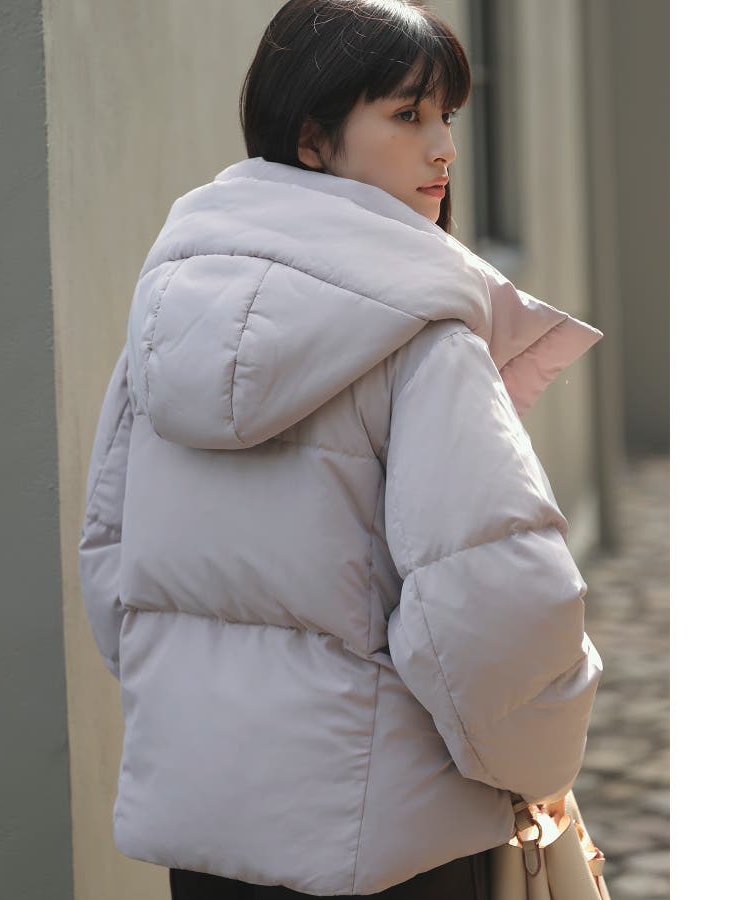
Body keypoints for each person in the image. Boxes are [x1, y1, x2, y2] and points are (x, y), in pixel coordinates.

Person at [78, 1, 603, 897]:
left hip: (208, 835)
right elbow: (497, 612)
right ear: (312, 140)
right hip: (397, 843)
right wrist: (537, 766)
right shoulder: (425, 341)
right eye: (408, 115)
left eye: (447, 116)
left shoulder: (167, 319)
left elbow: (110, 570)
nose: (444, 148)